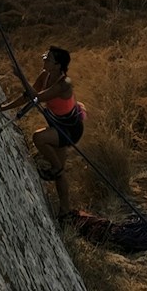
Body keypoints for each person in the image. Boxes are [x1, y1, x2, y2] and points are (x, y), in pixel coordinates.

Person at [20, 46, 85, 221]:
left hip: (70, 130)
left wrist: (20, 76)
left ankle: (56, 167)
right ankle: (65, 212)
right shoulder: (45, 75)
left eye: (47, 59)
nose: (44, 60)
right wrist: (5, 107)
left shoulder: (65, 83)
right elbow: (28, 96)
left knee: (39, 138)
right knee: (60, 175)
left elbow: (37, 97)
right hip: (59, 127)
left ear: (57, 65)